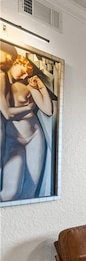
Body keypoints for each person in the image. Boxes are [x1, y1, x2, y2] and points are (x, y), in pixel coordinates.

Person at [0, 43, 54, 201]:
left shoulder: (27, 88)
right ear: (17, 63)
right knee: (10, 192)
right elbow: (7, 113)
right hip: (13, 139)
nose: (25, 77)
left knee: (31, 189)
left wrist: (41, 86)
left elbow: (48, 109)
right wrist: (29, 108)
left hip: (34, 137)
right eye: (24, 72)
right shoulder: (3, 82)